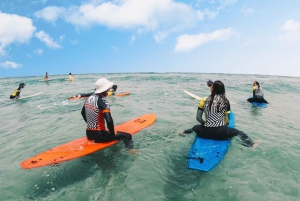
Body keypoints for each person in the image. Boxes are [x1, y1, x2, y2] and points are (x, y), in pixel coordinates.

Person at [183, 80, 254, 147]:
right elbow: (226, 120)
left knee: (195, 127)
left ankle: (182, 132)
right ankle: (251, 145)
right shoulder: (225, 101)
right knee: (239, 133)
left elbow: (198, 118)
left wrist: (205, 125)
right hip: (221, 133)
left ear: (213, 89)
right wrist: (224, 128)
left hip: (204, 133)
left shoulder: (204, 100)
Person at [81, 78, 133, 149]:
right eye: (107, 88)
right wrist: (112, 134)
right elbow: (109, 120)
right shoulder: (103, 102)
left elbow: (83, 113)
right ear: (104, 90)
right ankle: (130, 150)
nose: (108, 90)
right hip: (100, 135)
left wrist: (91, 126)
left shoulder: (89, 98)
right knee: (128, 136)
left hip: (88, 134)